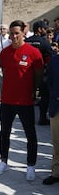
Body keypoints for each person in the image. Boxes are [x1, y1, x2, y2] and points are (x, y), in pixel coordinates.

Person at [0, 20, 44, 181]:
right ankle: (3, 161)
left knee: (30, 135)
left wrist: (33, 91)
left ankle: (30, 166)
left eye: (17, 33)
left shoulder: (33, 52)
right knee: (4, 133)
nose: (14, 36)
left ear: (23, 33)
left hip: (25, 102)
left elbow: (38, 75)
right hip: (7, 100)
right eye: (12, 33)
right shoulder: (5, 52)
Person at [25, 20, 55, 125]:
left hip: (26, 73)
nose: (46, 30)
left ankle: (25, 118)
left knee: (27, 96)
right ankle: (42, 118)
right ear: (39, 29)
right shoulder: (44, 42)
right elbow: (53, 56)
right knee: (44, 96)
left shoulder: (26, 41)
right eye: (44, 28)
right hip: (40, 73)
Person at [43, 53, 59, 185]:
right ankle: (56, 172)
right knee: (56, 142)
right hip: (56, 107)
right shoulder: (54, 60)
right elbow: (49, 81)